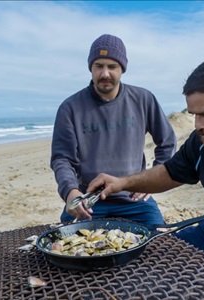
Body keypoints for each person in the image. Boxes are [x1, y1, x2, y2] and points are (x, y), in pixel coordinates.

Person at [87, 52, 204, 272]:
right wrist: (121, 183)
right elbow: (170, 173)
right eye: (194, 115)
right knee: (141, 260)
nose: (198, 125)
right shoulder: (202, 142)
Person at [50, 34, 176, 226]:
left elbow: (167, 141)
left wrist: (152, 181)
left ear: (122, 68)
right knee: (70, 246)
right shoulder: (70, 108)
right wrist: (71, 192)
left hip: (134, 200)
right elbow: (62, 158)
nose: (105, 74)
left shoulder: (143, 99)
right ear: (90, 68)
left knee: (158, 241)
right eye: (98, 66)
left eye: (112, 66)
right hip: (89, 201)